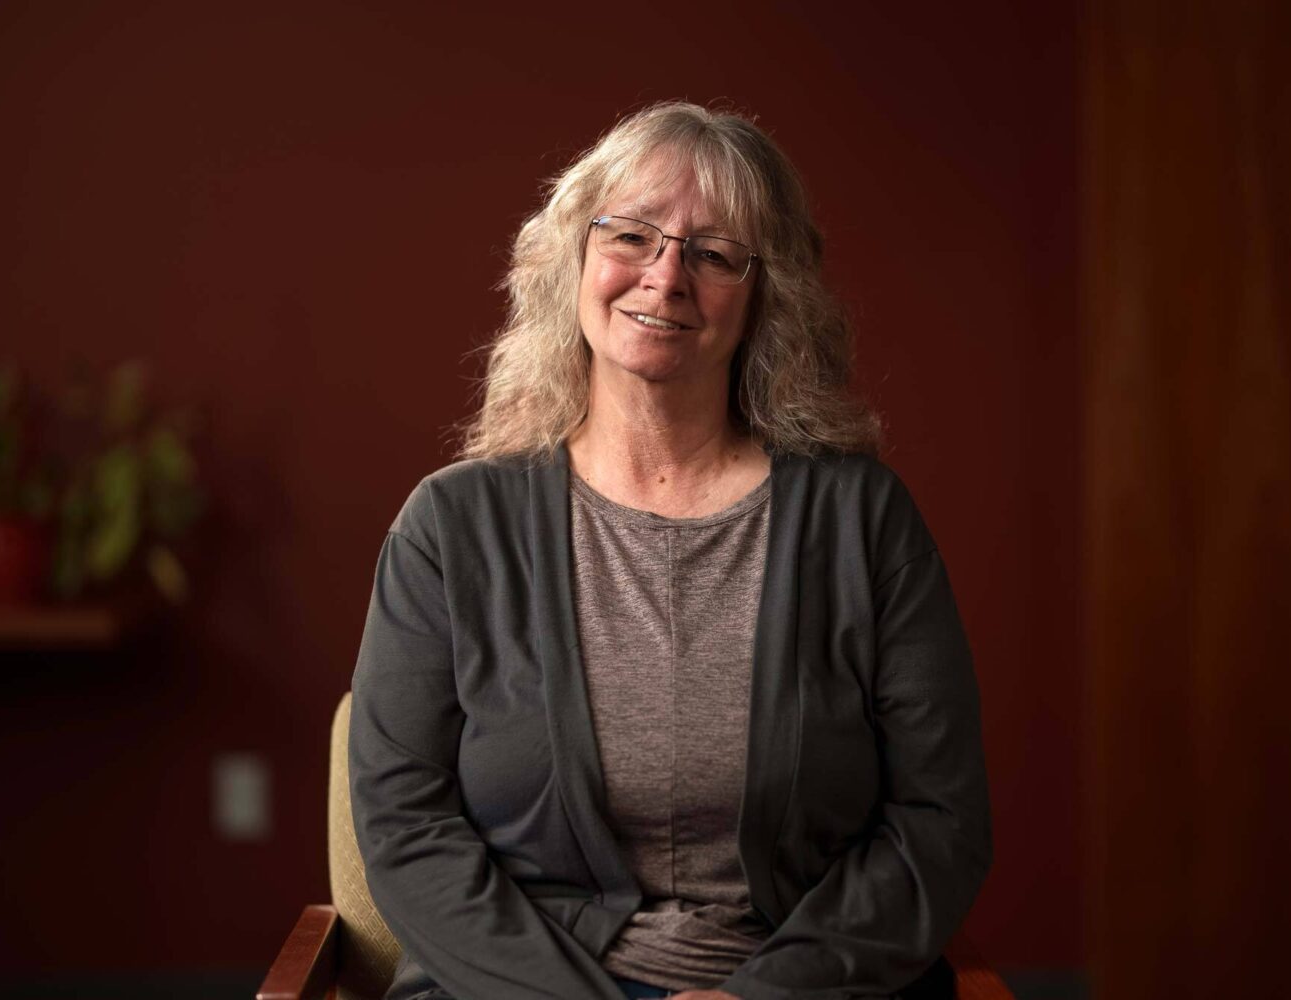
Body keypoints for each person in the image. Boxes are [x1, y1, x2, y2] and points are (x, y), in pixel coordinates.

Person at [350, 102, 991, 1000]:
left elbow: (939, 823)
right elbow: (404, 827)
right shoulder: (451, 529)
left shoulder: (863, 521)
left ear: (767, 298)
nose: (665, 276)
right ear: (574, 258)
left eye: (715, 253)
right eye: (632, 237)